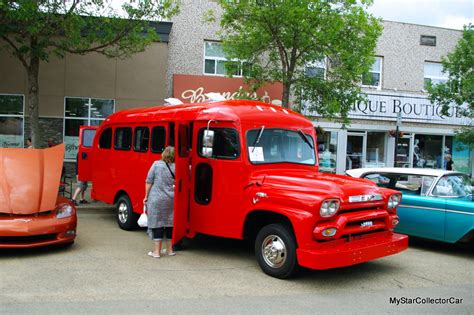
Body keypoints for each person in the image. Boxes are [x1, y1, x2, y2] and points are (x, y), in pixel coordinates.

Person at [143, 146, 176, 258]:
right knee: (170, 223)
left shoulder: (156, 164)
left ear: (164, 153)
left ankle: (156, 252)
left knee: (158, 223)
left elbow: (149, 181)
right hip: (171, 199)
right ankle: (170, 250)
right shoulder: (177, 167)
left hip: (156, 198)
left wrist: (146, 196)